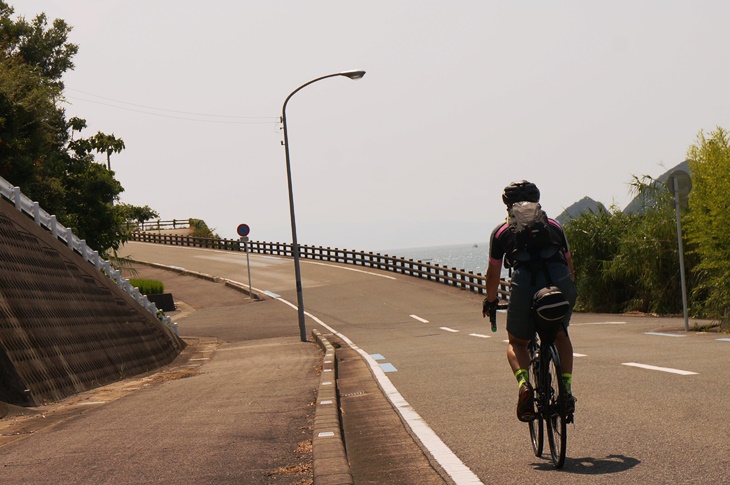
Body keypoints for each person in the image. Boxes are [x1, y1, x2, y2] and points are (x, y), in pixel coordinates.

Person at [482, 180, 577, 422]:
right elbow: (569, 267)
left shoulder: (502, 232)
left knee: (517, 342)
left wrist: (490, 301)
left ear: (507, 206)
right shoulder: (554, 226)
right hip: (559, 282)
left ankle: (525, 386)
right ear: (537, 200)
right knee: (560, 334)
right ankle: (565, 391)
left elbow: (493, 274)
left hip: (524, 284)